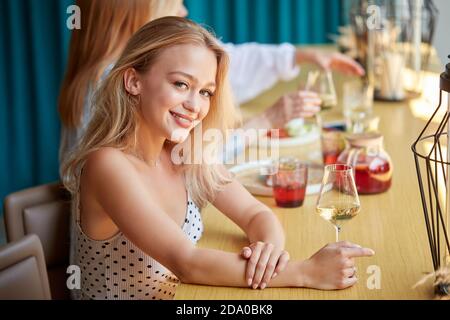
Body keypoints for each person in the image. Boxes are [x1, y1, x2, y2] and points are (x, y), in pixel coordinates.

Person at [61, 16, 374, 300]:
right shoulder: (107, 165)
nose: (195, 106)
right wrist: (306, 272)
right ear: (133, 81)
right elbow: (186, 262)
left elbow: (256, 215)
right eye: (181, 84)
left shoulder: (185, 153)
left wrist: (268, 254)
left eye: (206, 92)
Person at [58, 0, 364, 166]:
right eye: (173, 5)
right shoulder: (110, 90)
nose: (184, 11)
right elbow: (187, 162)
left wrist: (300, 56)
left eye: (205, 91)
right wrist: (266, 120)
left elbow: (226, 63)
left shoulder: (109, 74)